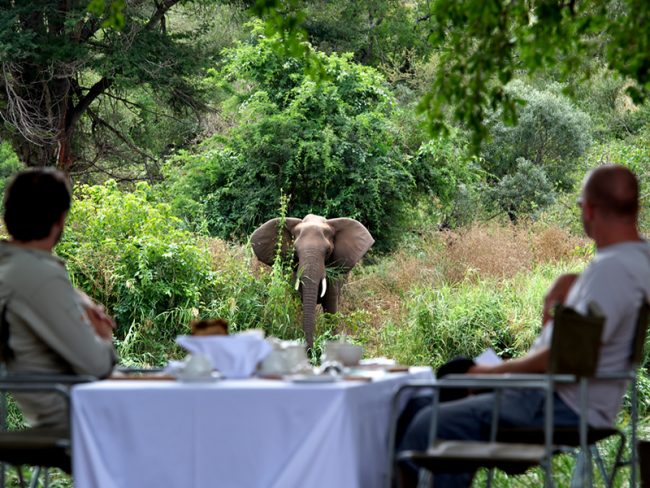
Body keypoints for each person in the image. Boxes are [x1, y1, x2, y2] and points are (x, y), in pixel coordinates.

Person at [397, 164, 650, 487]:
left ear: (589, 209)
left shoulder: (612, 271)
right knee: (417, 404)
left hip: (562, 403)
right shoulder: (635, 260)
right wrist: (574, 281)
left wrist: (490, 375)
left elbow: (564, 358)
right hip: (565, 395)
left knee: (429, 420)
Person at [0, 169, 117, 430]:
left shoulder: (11, 267)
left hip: (55, 407)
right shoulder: (37, 276)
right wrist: (103, 336)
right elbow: (97, 365)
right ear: (60, 220)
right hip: (75, 417)